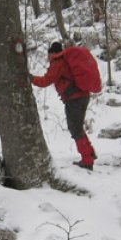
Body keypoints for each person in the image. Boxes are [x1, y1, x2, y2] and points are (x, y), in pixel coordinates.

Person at [30, 42, 97, 170]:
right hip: (82, 96)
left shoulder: (58, 62)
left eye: (49, 55)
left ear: (52, 53)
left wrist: (31, 78)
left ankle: (87, 160)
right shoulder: (66, 60)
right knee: (77, 127)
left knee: (75, 129)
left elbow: (46, 81)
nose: (48, 58)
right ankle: (89, 154)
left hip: (74, 99)